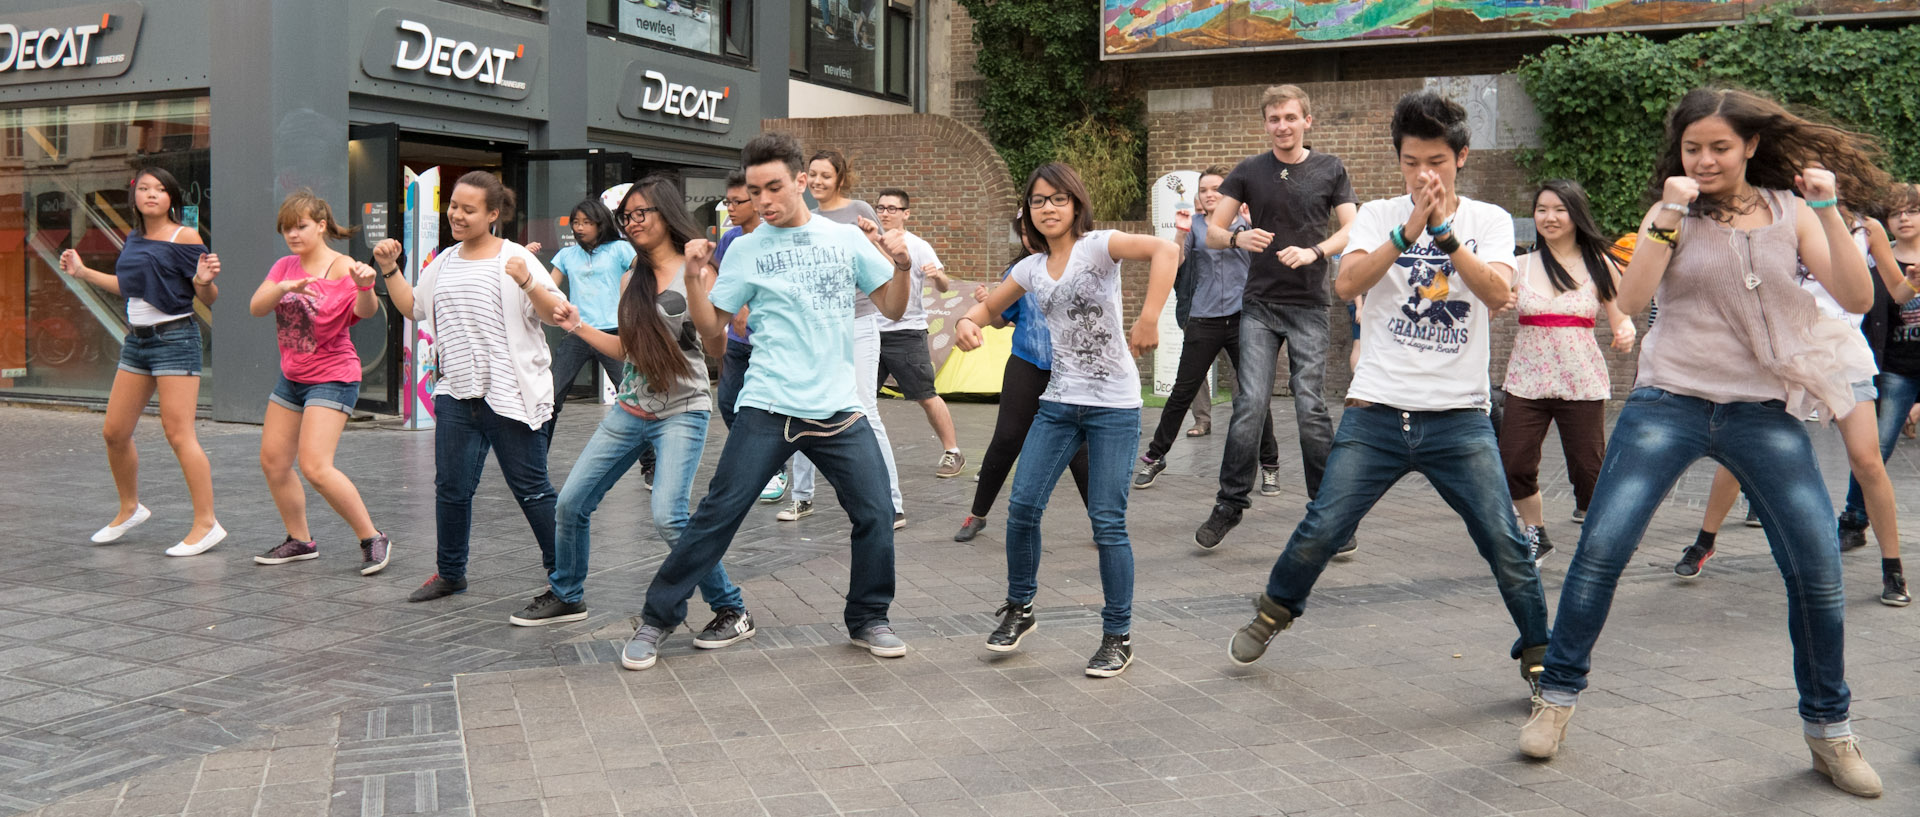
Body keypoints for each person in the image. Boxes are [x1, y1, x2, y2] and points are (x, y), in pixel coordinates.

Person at [1521, 88, 1887, 798]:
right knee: (1602, 548)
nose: (1707, 158)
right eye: (1694, 147)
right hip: (1670, 400)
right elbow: (1630, 303)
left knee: (1816, 568)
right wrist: (1666, 213)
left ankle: (1830, 730)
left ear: (1751, 145)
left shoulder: (1788, 211)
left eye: (1721, 146)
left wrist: (1826, 208)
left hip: (1761, 407)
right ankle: (1556, 699)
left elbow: (1859, 294)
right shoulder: (1672, 214)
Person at [1226, 92, 1550, 696]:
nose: (1424, 174)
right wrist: (1407, 233)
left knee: (1505, 542)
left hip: (1459, 418)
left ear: (1461, 157)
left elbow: (1498, 295)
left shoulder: (1491, 222)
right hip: (1376, 410)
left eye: (1436, 161)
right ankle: (1274, 609)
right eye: (1410, 162)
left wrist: (1446, 235)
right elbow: (1345, 282)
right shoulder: (1376, 216)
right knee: (1323, 525)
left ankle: (1538, 651)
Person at [622, 131, 918, 671]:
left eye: (774, 188)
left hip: (837, 409)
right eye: (754, 191)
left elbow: (893, 309)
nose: (763, 201)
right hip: (767, 405)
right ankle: (657, 618)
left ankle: (869, 617)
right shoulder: (746, 247)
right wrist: (694, 278)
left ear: (802, 182)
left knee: (875, 512)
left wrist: (899, 264)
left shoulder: (846, 239)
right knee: (716, 515)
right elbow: (712, 330)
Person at [514, 176, 756, 648]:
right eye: (627, 216)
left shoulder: (702, 272)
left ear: (666, 214)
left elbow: (715, 345)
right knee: (571, 502)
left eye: (640, 213)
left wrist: (693, 279)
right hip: (631, 408)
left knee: (669, 516)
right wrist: (577, 325)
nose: (632, 222)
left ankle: (731, 607)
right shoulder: (632, 277)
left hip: (683, 409)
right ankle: (567, 594)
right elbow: (627, 349)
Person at [956, 163, 1177, 678]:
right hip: (1058, 404)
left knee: (1107, 522)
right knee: (1023, 507)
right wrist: (968, 322)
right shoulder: (1031, 268)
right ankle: (1020, 607)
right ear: (1027, 212)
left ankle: (1118, 635)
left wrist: (1148, 317)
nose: (1048, 208)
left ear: (1075, 204)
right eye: (1038, 201)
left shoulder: (1098, 246)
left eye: (1058, 199)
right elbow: (987, 309)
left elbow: (1168, 250)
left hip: (1114, 407)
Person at [1675, 206, 1909, 606]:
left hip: (1842, 351)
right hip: (1783, 351)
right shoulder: (1774, 219)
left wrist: (1912, 285)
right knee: (1740, 453)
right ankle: (1704, 541)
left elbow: (1897, 291)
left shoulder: (1862, 227)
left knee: (1868, 462)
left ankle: (1893, 568)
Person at [378, 171, 571, 603]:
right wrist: (390, 269)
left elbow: (554, 310)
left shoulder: (515, 257)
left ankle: (564, 578)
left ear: (492, 214)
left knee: (533, 490)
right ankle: (451, 572)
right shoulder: (444, 260)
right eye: (453, 206)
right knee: (451, 488)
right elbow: (412, 307)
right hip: (456, 393)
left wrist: (525, 280)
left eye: (469, 209)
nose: (457, 215)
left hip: (510, 394)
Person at [1196, 84, 1360, 551]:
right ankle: (1230, 504)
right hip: (1260, 306)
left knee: (1311, 407)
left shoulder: (1330, 168)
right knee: (1250, 403)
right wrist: (1235, 240)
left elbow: (1352, 228)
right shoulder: (1249, 170)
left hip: (1309, 304)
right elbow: (1213, 231)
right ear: (1265, 123)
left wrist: (1315, 251)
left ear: (1307, 120)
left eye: (1290, 117)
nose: (1282, 126)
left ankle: (1331, 516)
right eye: (1274, 119)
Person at [61, 168, 225, 556]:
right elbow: (130, 287)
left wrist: (202, 280)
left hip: (175, 339)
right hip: (137, 342)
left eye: (161, 189)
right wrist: (83, 272)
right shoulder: (134, 238)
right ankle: (130, 508)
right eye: (145, 188)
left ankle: (207, 524)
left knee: (179, 433)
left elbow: (209, 295)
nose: (152, 194)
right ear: (135, 197)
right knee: (114, 432)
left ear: (172, 198)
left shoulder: (184, 236)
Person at [247, 191, 393, 574]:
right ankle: (300, 540)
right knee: (274, 462)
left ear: (322, 225)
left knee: (315, 465)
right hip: (292, 377)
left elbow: (365, 313)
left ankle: (372, 537)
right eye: (286, 229)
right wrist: (283, 288)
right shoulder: (284, 267)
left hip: (333, 376)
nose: (293, 235)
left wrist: (365, 286)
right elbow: (257, 306)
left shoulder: (344, 266)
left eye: (301, 227)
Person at [1497, 180, 1636, 563]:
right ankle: (1535, 533)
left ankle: (1602, 540)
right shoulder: (1518, 265)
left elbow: (1621, 316)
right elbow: (1491, 303)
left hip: (1581, 381)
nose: (1549, 217)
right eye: (1542, 209)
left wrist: (1626, 332)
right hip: (1527, 381)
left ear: (1575, 214)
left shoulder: (1600, 265)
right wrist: (1496, 304)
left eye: (1559, 209)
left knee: (1589, 472)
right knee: (1513, 464)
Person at [776, 149, 906, 528]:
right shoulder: (805, 218)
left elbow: (886, 262)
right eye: (812, 175)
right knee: (804, 405)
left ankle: (892, 502)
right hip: (815, 327)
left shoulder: (858, 210)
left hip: (859, 322)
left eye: (825, 176)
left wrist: (873, 237)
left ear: (840, 178)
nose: (817, 182)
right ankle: (802, 497)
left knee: (866, 409)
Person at [1135, 166, 1280, 493]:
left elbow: (1267, 259)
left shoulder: (1245, 223)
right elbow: (1176, 263)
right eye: (1204, 190)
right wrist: (1181, 233)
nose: (1210, 194)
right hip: (1204, 318)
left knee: (1255, 394)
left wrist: (1253, 223)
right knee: (1182, 392)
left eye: (1217, 188)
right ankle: (1156, 457)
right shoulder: (1196, 227)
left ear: (1229, 193)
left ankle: (1269, 465)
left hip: (1245, 319)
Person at [953, 217, 1094, 543]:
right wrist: (985, 304)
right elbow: (1002, 319)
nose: (1031, 239)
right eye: (1026, 234)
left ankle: (1102, 522)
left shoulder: (1083, 264)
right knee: (1006, 440)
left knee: (1079, 448)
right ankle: (977, 514)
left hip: (1070, 368)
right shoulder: (1020, 272)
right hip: (1027, 364)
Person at [872, 188, 967, 477]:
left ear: (906, 214)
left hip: (906, 332)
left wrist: (938, 276)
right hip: (868, 332)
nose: (885, 213)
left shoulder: (918, 246)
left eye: (892, 208)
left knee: (925, 395)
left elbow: (945, 286)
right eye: (881, 208)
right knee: (857, 397)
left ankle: (953, 452)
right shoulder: (867, 242)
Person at [710, 172, 789, 505]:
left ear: (756, 203)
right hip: (738, 343)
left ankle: (776, 468)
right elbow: (719, 274)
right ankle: (761, 462)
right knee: (729, 403)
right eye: (727, 201)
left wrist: (749, 303)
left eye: (736, 201)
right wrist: (735, 304)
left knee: (767, 409)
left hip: (770, 343)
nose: (729, 207)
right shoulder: (730, 240)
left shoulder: (778, 238)